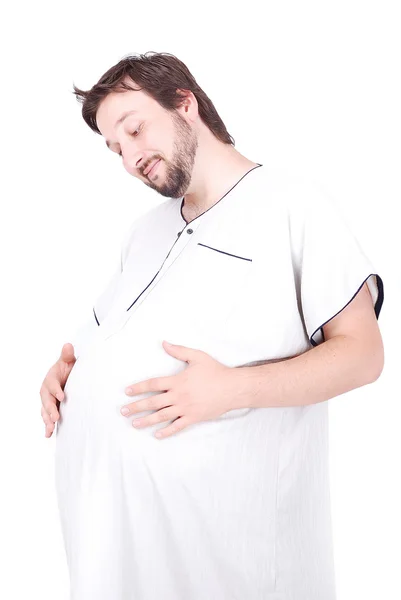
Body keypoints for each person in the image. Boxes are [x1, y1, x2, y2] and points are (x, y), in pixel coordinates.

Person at [40, 52, 385, 600]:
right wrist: (68, 375)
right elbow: (101, 340)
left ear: (185, 102)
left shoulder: (292, 204)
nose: (130, 158)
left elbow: (363, 355)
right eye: (115, 149)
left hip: (231, 557)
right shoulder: (143, 232)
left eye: (134, 129)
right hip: (119, 552)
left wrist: (232, 388)